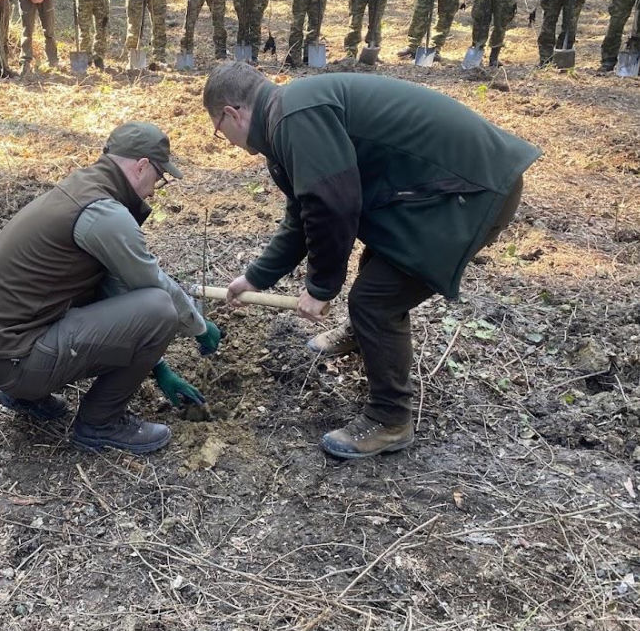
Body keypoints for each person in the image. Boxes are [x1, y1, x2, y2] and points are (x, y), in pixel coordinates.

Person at [202, 63, 539, 458]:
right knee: (377, 269)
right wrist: (255, 278)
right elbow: (303, 210)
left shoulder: (295, 116)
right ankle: (364, 336)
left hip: (471, 191)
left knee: (376, 300)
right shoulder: (288, 114)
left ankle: (390, 419)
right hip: (439, 189)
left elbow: (332, 205)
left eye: (216, 129)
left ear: (230, 113)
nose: (223, 139)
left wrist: (321, 287)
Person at [0, 122, 220, 455]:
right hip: (15, 358)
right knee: (160, 308)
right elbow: (151, 287)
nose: (155, 190)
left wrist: (160, 369)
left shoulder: (82, 188)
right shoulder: (105, 214)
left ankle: (26, 394)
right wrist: (199, 327)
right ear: (141, 166)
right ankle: (101, 423)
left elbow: (110, 289)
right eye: (159, 177)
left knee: (147, 303)